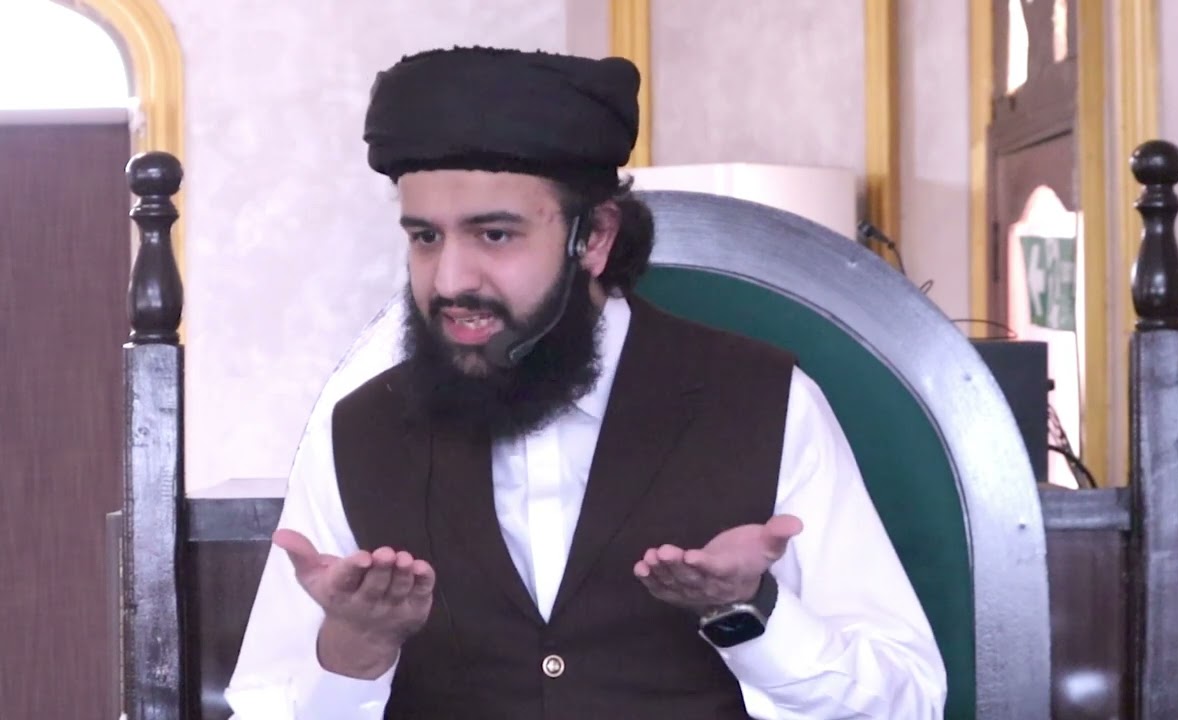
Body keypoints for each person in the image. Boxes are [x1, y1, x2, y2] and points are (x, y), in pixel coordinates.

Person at [225, 46, 945, 719]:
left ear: (594, 237)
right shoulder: (359, 429)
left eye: (494, 235)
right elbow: (266, 703)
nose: (449, 280)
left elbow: (908, 700)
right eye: (426, 237)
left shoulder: (763, 401)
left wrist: (748, 610)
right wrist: (357, 647)